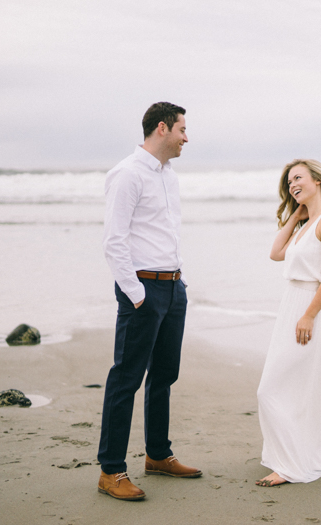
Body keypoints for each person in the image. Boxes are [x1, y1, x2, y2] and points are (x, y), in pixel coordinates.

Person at [97, 102, 201, 501]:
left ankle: (158, 455)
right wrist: (137, 294)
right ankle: (111, 471)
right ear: (162, 128)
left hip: (173, 288)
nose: (186, 138)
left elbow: (165, 233)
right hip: (142, 289)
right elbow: (115, 240)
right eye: (182, 130)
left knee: (164, 376)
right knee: (126, 379)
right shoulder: (127, 174)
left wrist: (179, 283)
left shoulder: (168, 176)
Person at [255, 159, 321, 487]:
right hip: (292, 307)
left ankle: (291, 466)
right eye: (288, 182)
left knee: (271, 388)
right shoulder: (307, 223)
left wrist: (310, 315)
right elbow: (275, 252)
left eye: (298, 178)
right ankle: (293, 456)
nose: (292, 184)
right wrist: (296, 216)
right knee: (291, 386)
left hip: (309, 310)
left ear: (317, 181)